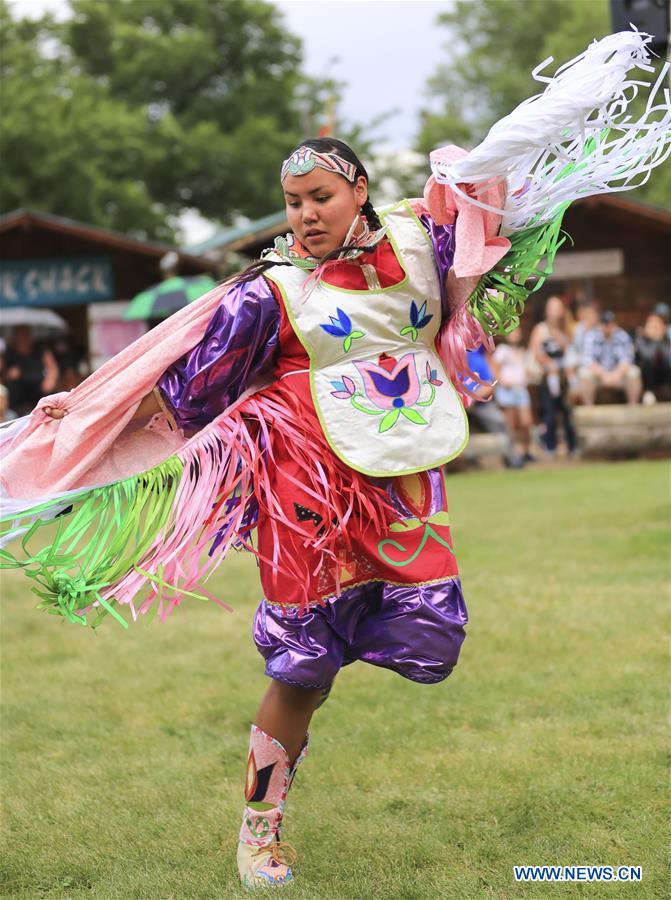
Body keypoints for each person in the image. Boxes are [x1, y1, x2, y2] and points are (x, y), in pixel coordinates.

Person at [2, 30, 670, 893]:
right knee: (303, 668)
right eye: (291, 203)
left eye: (318, 197)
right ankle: (259, 834)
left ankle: (281, 785)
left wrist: (585, 92)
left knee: (427, 634)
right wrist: (92, 411)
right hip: (302, 488)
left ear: (358, 191)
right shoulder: (270, 292)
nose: (303, 215)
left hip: (396, 478)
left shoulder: (426, 244)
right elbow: (184, 389)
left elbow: (506, 181)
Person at [529, 296, 578, 457]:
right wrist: (549, 363)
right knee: (549, 413)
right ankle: (550, 446)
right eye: (551, 308)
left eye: (557, 308)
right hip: (547, 377)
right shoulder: (540, 329)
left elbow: (571, 350)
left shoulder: (567, 327)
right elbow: (535, 352)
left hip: (565, 376)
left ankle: (573, 446)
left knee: (567, 413)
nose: (554, 312)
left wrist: (560, 338)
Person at [466, 344, 525, 468]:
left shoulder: (476, 357)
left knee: (501, 422)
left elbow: (490, 385)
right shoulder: (448, 357)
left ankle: (513, 459)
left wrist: (472, 398)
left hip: (480, 404)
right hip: (456, 404)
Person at [578, 310, 642, 405]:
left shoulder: (622, 336)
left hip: (618, 374)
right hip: (599, 375)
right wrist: (604, 375)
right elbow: (588, 360)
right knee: (584, 373)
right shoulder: (591, 336)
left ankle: (633, 406)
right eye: (604, 323)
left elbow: (627, 359)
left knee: (634, 372)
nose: (607, 326)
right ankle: (589, 409)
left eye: (609, 323)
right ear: (600, 324)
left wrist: (616, 374)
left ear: (614, 324)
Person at [490, 328, 535, 462]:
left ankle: (526, 451)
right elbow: (495, 368)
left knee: (526, 422)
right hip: (507, 390)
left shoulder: (522, 350)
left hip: (520, 389)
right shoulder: (502, 350)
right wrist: (502, 381)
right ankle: (511, 454)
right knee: (511, 424)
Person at [2, 324, 60, 415]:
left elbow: (53, 369)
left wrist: (50, 380)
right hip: (18, 392)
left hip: (39, 387)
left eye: (26, 335)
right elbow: (3, 373)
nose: (23, 338)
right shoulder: (9, 352)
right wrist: (8, 374)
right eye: (20, 335)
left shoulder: (41, 349)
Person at [635, 311, 671, 403]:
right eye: (651, 324)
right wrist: (654, 340)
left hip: (663, 374)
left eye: (657, 324)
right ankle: (649, 392)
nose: (654, 327)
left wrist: (659, 339)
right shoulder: (640, 339)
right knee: (648, 364)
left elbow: (667, 356)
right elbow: (647, 356)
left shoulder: (666, 340)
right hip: (646, 375)